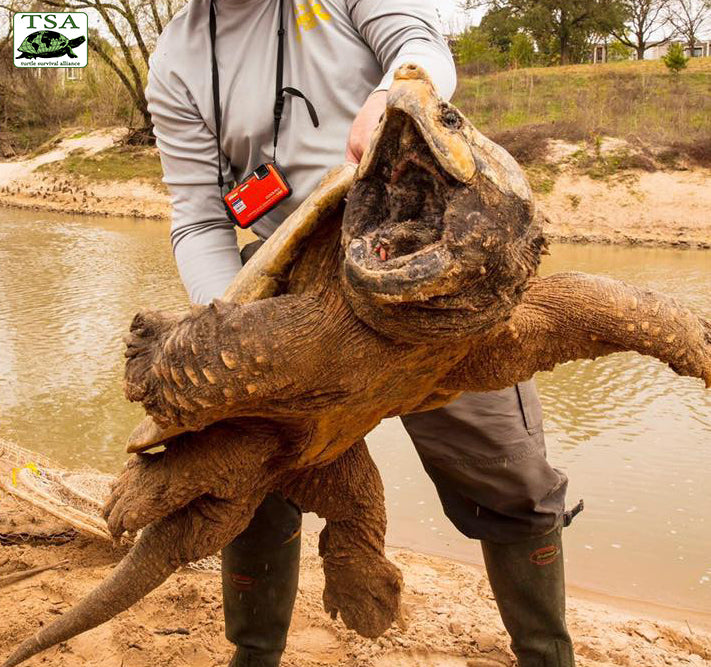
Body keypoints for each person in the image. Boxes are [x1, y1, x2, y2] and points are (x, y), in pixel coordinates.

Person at [146, 1, 581, 665]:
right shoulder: (176, 57)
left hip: (427, 259)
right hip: (289, 281)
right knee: (249, 469)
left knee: (511, 474)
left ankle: (547, 652)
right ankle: (253, 654)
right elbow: (198, 216)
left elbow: (416, 41)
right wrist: (229, 319)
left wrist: (392, 93)